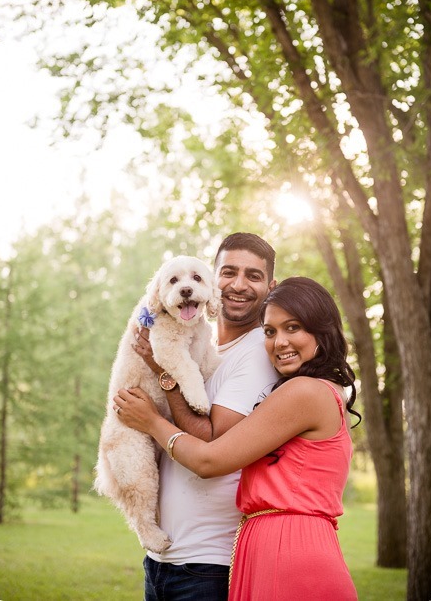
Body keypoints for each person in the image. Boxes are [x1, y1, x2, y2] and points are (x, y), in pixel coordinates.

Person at [115, 277, 361, 601]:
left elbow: (209, 459)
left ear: (321, 330)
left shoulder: (305, 392)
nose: (279, 342)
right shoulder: (311, 391)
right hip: (266, 548)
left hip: (291, 553)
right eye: (270, 332)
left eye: (293, 327)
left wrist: (152, 422)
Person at [121, 233, 279, 600]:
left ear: (270, 287)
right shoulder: (205, 343)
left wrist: (151, 412)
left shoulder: (256, 354)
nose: (238, 285)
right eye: (228, 272)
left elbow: (210, 439)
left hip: (206, 566)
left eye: (253, 276)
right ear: (213, 278)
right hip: (163, 561)